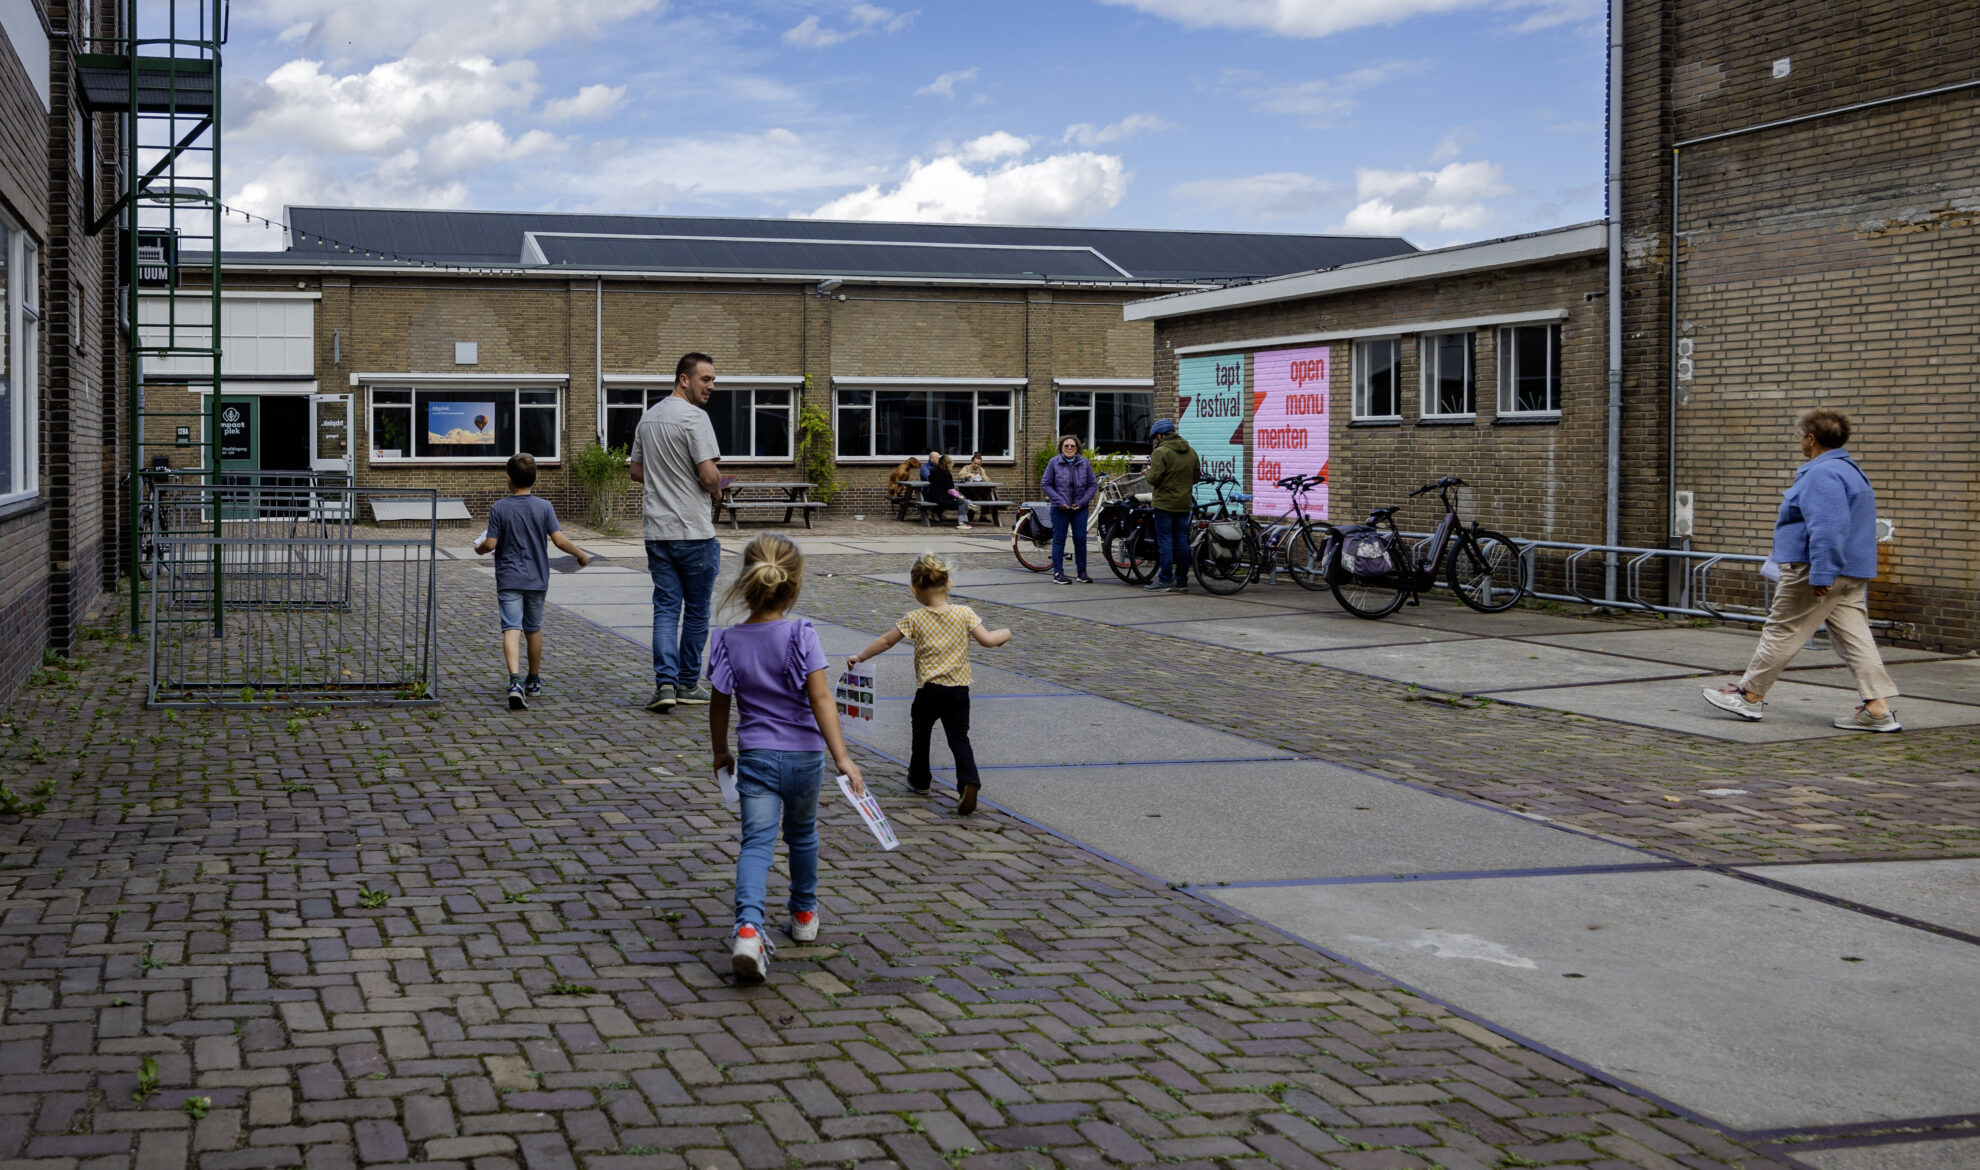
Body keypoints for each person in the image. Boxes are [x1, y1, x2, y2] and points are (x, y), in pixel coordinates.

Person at [707, 534, 867, 981]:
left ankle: (747, 929)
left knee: (756, 843)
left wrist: (721, 752)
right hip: (805, 759)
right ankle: (802, 916)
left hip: (755, 756)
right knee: (802, 836)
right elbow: (821, 700)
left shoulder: (727, 640)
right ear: (794, 587)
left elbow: (718, 706)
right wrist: (843, 759)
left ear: (747, 582)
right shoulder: (802, 634)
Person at [1703, 407, 1900, 731]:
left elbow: (1829, 527)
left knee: (1783, 629)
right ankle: (1877, 709)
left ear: (1811, 439)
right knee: (1856, 638)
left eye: (1799, 436)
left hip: (1817, 570)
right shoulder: (1851, 471)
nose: (1798, 442)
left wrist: (1822, 572)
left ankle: (1748, 696)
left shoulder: (1822, 474)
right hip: (1850, 573)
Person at [848, 552, 1011, 816]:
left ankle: (920, 780)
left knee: (921, 735)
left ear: (914, 589)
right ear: (949, 584)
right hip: (959, 691)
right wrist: (1007, 633)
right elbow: (989, 641)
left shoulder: (915, 618)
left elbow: (887, 641)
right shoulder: (965, 613)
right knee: (959, 738)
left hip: (929, 691)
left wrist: (860, 656)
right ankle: (968, 780)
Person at [630, 352, 724, 714]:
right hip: (694, 531)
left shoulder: (648, 418)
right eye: (706, 379)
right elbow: (707, 475)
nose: (711, 386)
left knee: (666, 610)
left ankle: (664, 685)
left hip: (657, 530)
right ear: (684, 379)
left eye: (713, 380)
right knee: (698, 611)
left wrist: (665, 475)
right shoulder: (695, 419)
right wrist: (716, 488)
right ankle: (687, 683)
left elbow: (636, 472)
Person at [474, 453, 591, 710]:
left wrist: (479, 549)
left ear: (508, 479)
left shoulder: (499, 508)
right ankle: (534, 680)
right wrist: (581, 554)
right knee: (533, 629)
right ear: (535, 478)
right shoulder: (544, 507)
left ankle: (515, 681)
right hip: (537, 578)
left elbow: (491, 543)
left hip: (508, 578)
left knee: (511, 628)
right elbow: (559, 541)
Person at [1143, 418, 1199, 593]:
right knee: (1182, 542)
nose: (1154, 442)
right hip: (1184, 504)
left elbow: (1154, 478)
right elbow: (1196, 477)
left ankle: (1165, 579)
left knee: (1165, 542)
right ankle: (1182, 581)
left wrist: (1147, 472)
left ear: (1159, 436)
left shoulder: (1161, 452)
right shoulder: (1191, 451)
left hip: (1164, 504)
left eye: (1154, 438)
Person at [1041, 435, 1097, 584]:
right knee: (1059, 540)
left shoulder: (1084, 463)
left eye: (1072, 446)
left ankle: (1082, 573)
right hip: (1060, 508)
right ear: (1061, 448)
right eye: (1066, 446)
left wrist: (1082, 501)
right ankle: (1058, 573)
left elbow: (1092, 485)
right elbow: (1046, 484)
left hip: (1080, 508)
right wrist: (1060, 502)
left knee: (1080, 539)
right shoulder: (1054, 463)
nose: (1069, 448)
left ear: (1077, 448)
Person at [925, 453, 977, 529]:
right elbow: (951, 491)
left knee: (960, 496)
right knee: (961, 500)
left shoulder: (933, 471)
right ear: (948, 464)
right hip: (943, 499)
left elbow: (930, 480)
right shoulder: (947, 474)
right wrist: (960, 497)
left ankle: (968, 502)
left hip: (932, 496)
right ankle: (962, 523)